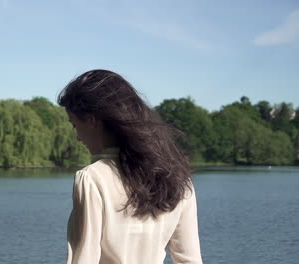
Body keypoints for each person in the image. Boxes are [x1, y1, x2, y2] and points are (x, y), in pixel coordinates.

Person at [58, 70, 203, 264]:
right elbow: (190, 260)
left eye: (75, 125)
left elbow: (84, 259)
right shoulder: (178, 178)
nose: (77, 137)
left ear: (92, 120)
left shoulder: (93, 178)